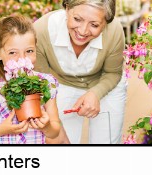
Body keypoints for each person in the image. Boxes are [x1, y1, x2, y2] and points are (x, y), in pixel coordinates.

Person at [34, 0, 127, 144]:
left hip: (106, 83)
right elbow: (42, 81)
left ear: (105, 23)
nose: (83, 31)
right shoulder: (41, 31)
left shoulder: (114, 31)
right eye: (77, 19)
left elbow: (112, 73)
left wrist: (95, 93)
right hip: (59, 85)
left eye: (94, 25)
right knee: (62, 140)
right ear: (67, 9)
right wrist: (54, 122)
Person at [0, 15, 67, 144]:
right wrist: (2, 130)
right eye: (13, 52)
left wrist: (46, 126)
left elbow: (55, 130)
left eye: (29, 51)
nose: (22, 59)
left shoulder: (45, 82)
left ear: (36, 49)